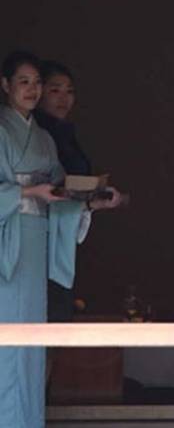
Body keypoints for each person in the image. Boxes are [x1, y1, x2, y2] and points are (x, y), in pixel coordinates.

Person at [0, 51, 116, 426]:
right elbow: (37, 192)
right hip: (8, 243)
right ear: (5, 85)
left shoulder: (45, 140)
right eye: (24, 82)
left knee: (32, 342)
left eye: (37, 82)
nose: (32, 90)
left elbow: (60, 194)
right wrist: (28, 192)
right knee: (7, 341)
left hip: (35, 244)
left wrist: (91, 202)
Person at [34, 61, 95, 322]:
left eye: (69, 91)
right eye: (55, 90)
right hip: (37, 230)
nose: (63, 98)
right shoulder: (38, 133)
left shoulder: (62, 133)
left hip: (65, 225)